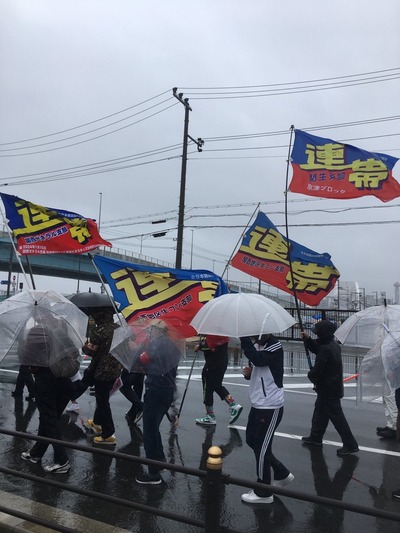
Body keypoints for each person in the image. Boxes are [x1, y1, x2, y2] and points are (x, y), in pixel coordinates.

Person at [240, 334, 294, 504]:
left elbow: (259, 360)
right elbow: (258, 368)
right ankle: (281, 472)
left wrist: (244, 339)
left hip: (270, 405)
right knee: (251, 440)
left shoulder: (274, 345)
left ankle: (263, 491)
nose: (253, 335)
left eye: (255, 332)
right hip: (258, 402)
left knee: (262, 447)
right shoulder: (258, 346)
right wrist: (248, 374)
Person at [20, 316, 75, 473]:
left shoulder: (36, 332)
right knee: (48, 419)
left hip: (45, 381)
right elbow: (72, 351)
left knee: (49, 420)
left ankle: (62, 460)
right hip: (63, 380)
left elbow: (26, 357)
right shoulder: (60, 330)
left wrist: (30, 366)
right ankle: (36, 453)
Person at [301, 320, 359, 456]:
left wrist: (311, 374)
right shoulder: (333, 345)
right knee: (320, 413)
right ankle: (315, 437)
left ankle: (351, 444)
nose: (316, 335)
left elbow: (318, 370)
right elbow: (318, 349)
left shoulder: (326, 349)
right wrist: (308, 340)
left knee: (337, 418)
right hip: (331, 388)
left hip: (328, 390)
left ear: (322, 334)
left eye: (317, 334)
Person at [135, 321, 179, 485]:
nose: (150, 332)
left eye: (152, 329)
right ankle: (159, 459)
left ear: (157, 330)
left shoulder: (157, 344)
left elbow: (141, 360)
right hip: (167, 389)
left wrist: (137, 349)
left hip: (155, 389)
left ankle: (153, 474)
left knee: (149, 432)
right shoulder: (172, 345)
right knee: (154, 427)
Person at [83, 307, 122, 445]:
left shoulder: (99, 331)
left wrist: (85, 346)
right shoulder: (119, 328)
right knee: (102, 397)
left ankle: (108, 434)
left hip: (102, 371)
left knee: (102, 401)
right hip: (116, 368)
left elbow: (92, 351)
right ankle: (97, 423)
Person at [194, 335, 242, 426]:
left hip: (212, 364)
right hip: (222, 362)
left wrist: (199, 347)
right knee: (217, 385)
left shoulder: (213, 333)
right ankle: (233, 404)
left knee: (207, 388)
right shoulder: (223, 333)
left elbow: (211, 346)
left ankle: (210, 416)